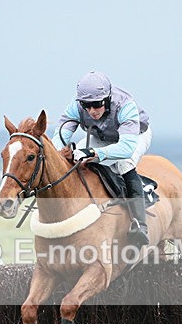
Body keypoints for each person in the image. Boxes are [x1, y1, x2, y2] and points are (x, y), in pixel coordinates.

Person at [52, 71, 152, 246]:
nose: (91, 111)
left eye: (97, 104)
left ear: (107, 99)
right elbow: (60, 138)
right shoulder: (75, 107)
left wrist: (94, 154)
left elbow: (126, 148)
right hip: (103, 136)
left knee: (124, 164)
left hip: (134, 136)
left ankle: (139, 224)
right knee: (76, 160)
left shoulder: (125, 105)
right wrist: (60, 155)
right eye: (86, 105)